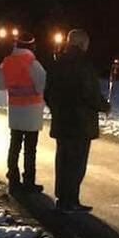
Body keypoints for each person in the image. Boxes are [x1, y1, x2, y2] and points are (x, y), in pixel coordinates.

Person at [44, 29, 109, 212]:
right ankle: (71, 199)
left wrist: (57, 109)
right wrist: (104, 106)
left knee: (62, 160)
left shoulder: (57, 64)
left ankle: (62, 197)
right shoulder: (84, 65)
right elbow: (90, 94)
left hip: (62, 121)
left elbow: (48, 93)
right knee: (76, 163)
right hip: (81, 123)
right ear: (82, 44)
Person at [0, 32, 47, 193]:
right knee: (30, 149)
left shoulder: (7, 62)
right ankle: (29, 181)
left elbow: (0, 84)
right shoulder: (32, 63)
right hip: (32, 112)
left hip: (15, 111)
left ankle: (13, 178)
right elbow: (42, 84)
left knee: (14, 146)